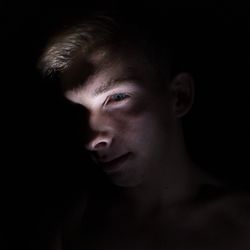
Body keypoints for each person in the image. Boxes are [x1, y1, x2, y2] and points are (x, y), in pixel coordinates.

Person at [38, 10, 250, 250]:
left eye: (117, 98)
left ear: (179, 96)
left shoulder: (242, 226)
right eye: (79, 109)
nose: (92, 138)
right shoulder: (73, 227)